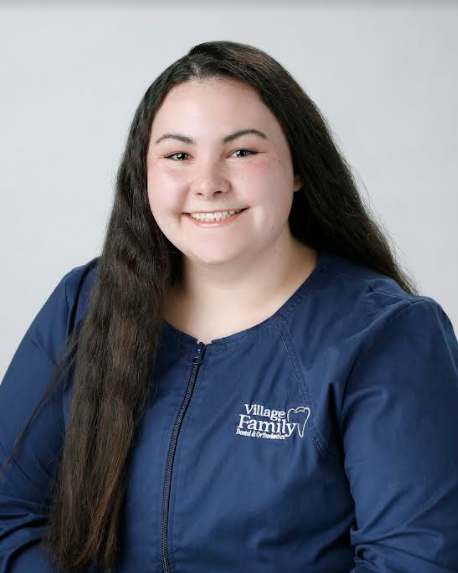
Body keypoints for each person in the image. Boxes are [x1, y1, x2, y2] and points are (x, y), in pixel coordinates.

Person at [0, 40, 457, 573]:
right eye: (178, 155)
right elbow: (9, 515)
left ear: (299, 168)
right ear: (144, 175)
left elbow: (414, 562)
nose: (209, 183)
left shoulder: (388, 335)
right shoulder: (85, 304)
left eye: (242, 151)